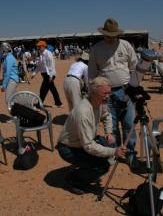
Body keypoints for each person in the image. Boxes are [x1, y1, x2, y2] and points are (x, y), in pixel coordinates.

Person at [57, 76, 127, 194]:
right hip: (69, 148)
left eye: (109, 93)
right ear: (93, 93)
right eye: (104, 93)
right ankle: (72, 180)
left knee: (107, 145)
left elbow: (107, 115)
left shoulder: (100, 101)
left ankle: (85, 169)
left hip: (83, 143)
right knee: (102, 166)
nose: (108, 96)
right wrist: (114, 152)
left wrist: (108, 132)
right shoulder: (83, 112)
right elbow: (89, 145)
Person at [88, 18, 138, 166]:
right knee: (112, 126)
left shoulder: (126, 45)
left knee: (129, 124)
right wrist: (94, 93)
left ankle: (130, 154)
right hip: (106, 95)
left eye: (113, 35)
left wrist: (133, 88)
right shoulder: (96, 49)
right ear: (103, 34)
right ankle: (114, 152)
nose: (111, 38)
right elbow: (91, 73)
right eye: (108, 36)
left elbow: (134, 67)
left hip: (126, 91)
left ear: (117, 34)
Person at [32, 40, 63, 108]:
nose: (38, 48)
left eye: (39, 46)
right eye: (38, 46)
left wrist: (51, 76)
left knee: (43, 90)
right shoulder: (41, 54)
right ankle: (58, 103)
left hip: (49, 75)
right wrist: (34, 73)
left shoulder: (48, 53)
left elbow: (52, 65)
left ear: (44, 46)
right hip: (45, 75)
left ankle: (39, 104)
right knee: (52, 89)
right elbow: (39, 66)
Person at [0, 42, 19, 106]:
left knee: (8, 100)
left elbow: (7, 73)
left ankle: (16, 115)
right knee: (13, 99)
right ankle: (17, 115)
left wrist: (4, 85)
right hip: (13, 79)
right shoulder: (9, 57)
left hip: (11, 80)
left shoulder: (9, 58)